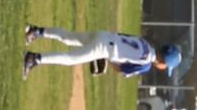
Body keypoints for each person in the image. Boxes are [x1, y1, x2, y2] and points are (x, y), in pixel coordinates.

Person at [22, 27, 182, 80]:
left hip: (104, 35)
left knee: (69, 38)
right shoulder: (146, 65)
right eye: (166, 67)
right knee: (70, 59)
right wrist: (106, 58)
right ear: (163, 63)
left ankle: (35, 31)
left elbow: (123, 36)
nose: (163, 68)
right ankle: (33, 59)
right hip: (103, 49)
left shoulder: (145, 43)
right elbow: (121, 69)